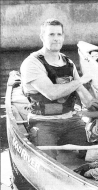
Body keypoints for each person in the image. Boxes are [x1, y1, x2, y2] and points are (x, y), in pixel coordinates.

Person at [20, 18, 94, 158]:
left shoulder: (68, 63)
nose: (56, 39)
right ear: (42, 37)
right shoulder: (32, 63)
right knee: (45, 159)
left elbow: (86, 99)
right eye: (51, 34)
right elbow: (52, 93)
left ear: (63, 37)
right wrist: (81, 80)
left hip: (71, 121)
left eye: (59, 34)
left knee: (96, 152)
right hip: (43, 123)